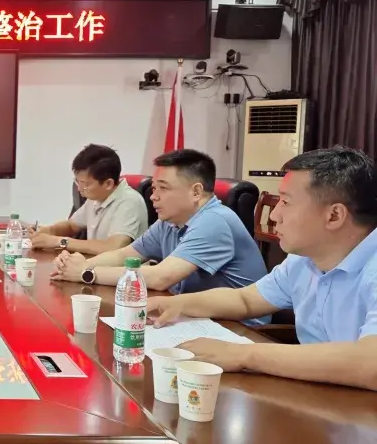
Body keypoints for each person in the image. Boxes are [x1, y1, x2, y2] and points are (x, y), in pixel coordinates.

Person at [147, 147, 377, 391]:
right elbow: (245, 300)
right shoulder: (303, 260)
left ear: (334, 216)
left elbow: (371, 364)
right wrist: (176, 304)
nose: (274, 215)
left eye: (285, 202)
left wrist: (244, 355)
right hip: (320, 392)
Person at [51, 149, 268, 322]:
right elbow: (125, 254)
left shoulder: (214, 221)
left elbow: (161, 278)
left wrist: (86, 273)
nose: (153, 197)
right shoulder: (169, 221)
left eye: (163, 188)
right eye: (154, 188)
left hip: (238, 328)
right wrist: (73, 266)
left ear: (196, 192)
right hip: (194, 315)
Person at [28, 144, 148, 255]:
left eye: (85, 184)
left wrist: (59, 241)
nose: (79, 189)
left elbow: (113, 247)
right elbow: (71, 226)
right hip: (92, 264)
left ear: (108, 184)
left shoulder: (129, 202)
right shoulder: (96, 197)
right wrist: (48, 231)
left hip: (122, 270)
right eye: (77, 181)